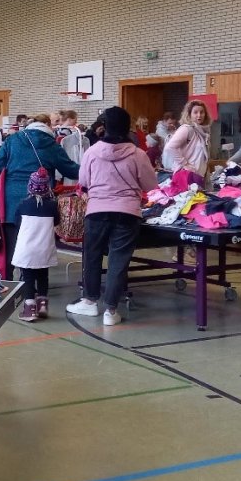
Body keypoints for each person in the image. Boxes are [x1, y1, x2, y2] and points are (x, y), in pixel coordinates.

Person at [67, 106, 159, 326]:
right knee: (118, 260)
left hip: (97, 211)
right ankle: (111, 310)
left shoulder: (92, 152)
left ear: (104, 126)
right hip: (127, 213)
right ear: (128, 127)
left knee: (92, 256)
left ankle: (89, 301)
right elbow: (151, 184)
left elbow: (84, 181)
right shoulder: (138, 154)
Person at [0, 114, 79, 279]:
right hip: (39, 203)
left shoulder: (13, 140)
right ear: (48, 128)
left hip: (11, 200)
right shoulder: (51, 145)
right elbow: (70, 170)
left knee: (10, 244)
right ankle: (30, 282)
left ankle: (8, 281)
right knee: (36, 243)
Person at [11, 167, 59, 322]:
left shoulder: (23, 204)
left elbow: (17, 222)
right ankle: (42, 305)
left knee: (28, 278)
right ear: (47, 187)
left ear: (30, 187)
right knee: (43, 276)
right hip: (44, 248)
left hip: (27, 249)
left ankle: (29, 309)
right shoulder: (52, 206)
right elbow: (57, 221)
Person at [162, 100, 211, 176]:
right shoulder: (186, 129)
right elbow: (169, 147)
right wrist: (185, 164)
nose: (199, 115)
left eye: (201, 112)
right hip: (187, 176)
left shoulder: (203, 132)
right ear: (189, 114)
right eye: (195, 112)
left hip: (198, 176)